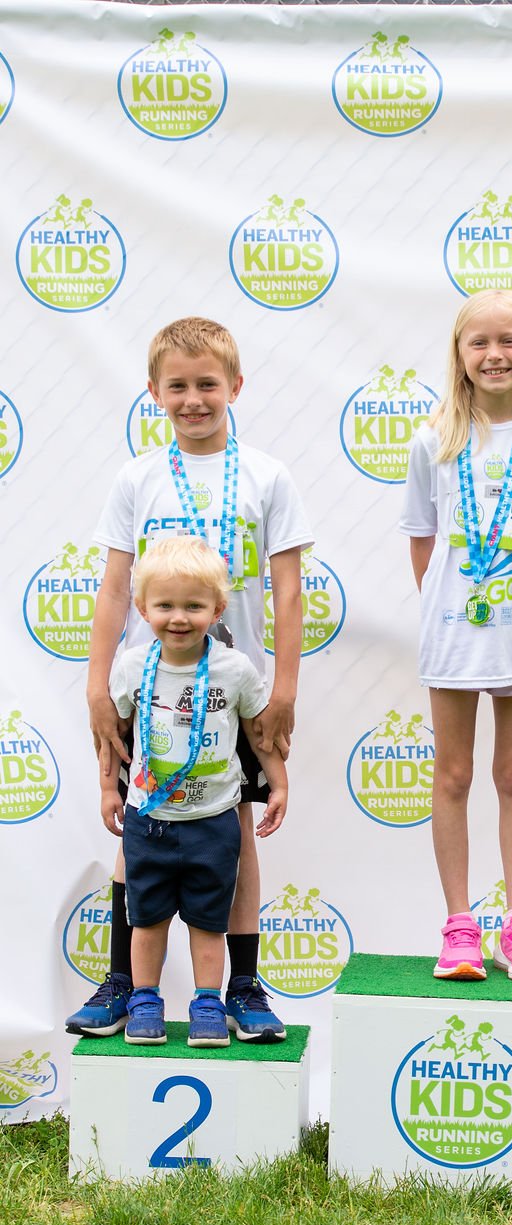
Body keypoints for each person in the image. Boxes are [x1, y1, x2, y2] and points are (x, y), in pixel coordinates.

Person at [66, 315, 312, 1042]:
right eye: (178, 386)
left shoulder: (268, 476)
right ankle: (122, 982)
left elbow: (288, 590)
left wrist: (285, 689)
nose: (194, 399)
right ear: (154, 392)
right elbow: (115, 590)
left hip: (235, 691)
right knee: (137, 823)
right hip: (150, 690)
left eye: (208, 384)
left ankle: (243, 986)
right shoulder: (137, 478)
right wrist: (96, 687)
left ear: (235, 385)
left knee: (236, 831)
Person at [400, 290, 512, 981]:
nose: (494, 354)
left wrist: (505, 603)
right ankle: (459, 926)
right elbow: (422, 542)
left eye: (509, 341)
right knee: (452, 775)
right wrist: (453, 606)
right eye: (479, 342)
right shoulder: (434, 441)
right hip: (453, 635)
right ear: (459, 354)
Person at [102, 539, 287, 1046]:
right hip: (148, 821)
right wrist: (108, 790)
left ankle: (208, 1003)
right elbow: (115, 737)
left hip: (214, 822)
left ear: (218, 609)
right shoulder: (131, 666)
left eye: (193, 606)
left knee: (208, 923)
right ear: (143, 608)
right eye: (164, 605)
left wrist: (279, 783)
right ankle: (144, 999)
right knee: (147, 920)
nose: (179, 618)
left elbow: (259, 734)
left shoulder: (234, 669)